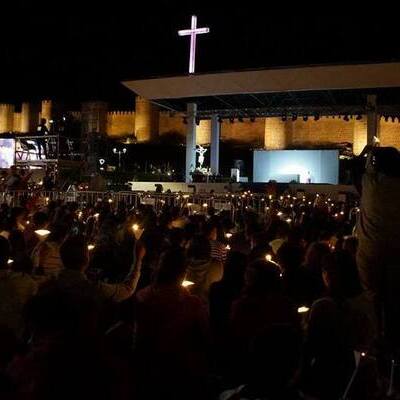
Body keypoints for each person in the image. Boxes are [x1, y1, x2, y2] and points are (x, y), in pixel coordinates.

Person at [135, 248, 209, 400]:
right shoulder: (192, 304)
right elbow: (205, 337)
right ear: (183, 273)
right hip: (177, 368)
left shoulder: (142, 295)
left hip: (144, 366)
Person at [302, 251, 376, 399]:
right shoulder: (367, 301)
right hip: (361, 372)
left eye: (325, 271)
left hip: (329, 373)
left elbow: (311, 346)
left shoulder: (324, 306)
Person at [356, 146, 400, 307]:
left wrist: (368, 151)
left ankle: (375, 328)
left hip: (371, 251)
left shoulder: (370, 184)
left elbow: (356, 166)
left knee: (372, 297)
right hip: (396, 250)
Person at [186, 234, 223, 302]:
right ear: (208, 247)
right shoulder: (216, 264)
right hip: (208, 302)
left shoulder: (182, 265)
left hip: (186, 302)